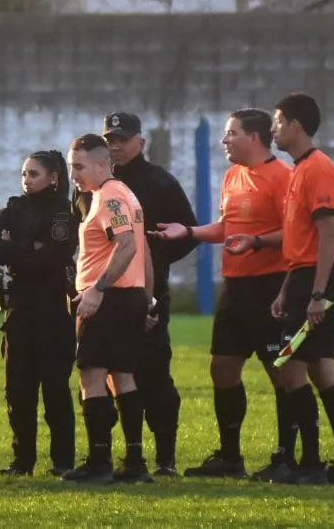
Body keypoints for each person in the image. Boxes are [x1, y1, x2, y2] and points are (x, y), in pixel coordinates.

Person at [153, 109, 297, 479]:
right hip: (235, 288)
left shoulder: (283, 177)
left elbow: (298, 233)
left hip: (272, 286)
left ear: (254, 137)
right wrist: (186, 232)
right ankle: (230, 458)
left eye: (231, 133)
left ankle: (286, 457)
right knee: (222, 368)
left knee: (281, 371)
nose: (224, 140)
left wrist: (258, 242)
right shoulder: (233, 176)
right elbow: (227, 227)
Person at [268, 93, 334, 485]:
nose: (274, 129)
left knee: (290, 368)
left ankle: (311, 465)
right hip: (305, 277)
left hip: (320, 279)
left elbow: (328, 236)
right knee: (322, 370)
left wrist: (317, 294)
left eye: (277, 121)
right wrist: (288, 287)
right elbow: (303, 241)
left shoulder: (318, 169)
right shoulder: (300, 170)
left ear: (295, 125)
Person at [103, 112, 197, 476]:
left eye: (123, 139)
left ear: (140, 142)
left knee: (153, 372)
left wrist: (155, 260)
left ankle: (165, 458)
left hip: (147, 293)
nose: (116, 146)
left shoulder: (159, 182)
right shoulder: (96, 184)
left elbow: (187, 233)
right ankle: (123, 455)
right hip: (107, 292)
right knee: (111, 374)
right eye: (110, 139)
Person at [63, 134, 154, 484]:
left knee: (92, 375)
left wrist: (97, 290)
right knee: (123, 376)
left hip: (109, 298)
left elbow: (127, 245)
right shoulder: (126, 194)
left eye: (79, 166)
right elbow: (141, 248)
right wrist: (146, 298)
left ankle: (99, 461)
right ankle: (134, 462)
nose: (74, 173)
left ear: (102, 164)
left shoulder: (110, 196)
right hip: (128, 296)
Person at [0, 150, 76, 477]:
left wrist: (17, 246)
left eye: (34, 174)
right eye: (24, 173)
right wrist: (31, 246)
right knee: (18, 388)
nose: (26, 180)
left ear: (53, 177)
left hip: (53, 307)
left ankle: (63, 462)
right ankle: (22, 460)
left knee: (54, 387)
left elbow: (54, 255)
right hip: (20, 307)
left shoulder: (63, 211)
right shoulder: (14, 208)